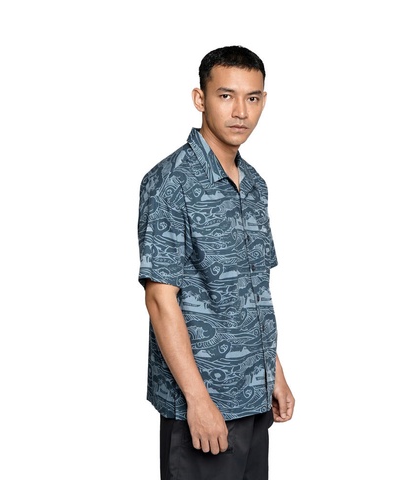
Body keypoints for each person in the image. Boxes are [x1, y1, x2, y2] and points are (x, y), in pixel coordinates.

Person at [137, 45, 295, 480]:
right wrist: (198, 401)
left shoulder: (254, 185)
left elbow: (251, 292)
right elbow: (160, 300)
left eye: (252, 97)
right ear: (200, 98)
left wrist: (274, 373)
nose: (241, 111)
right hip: (204, 407)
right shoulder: (171, 182)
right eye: (226, 96)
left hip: (254, 399)